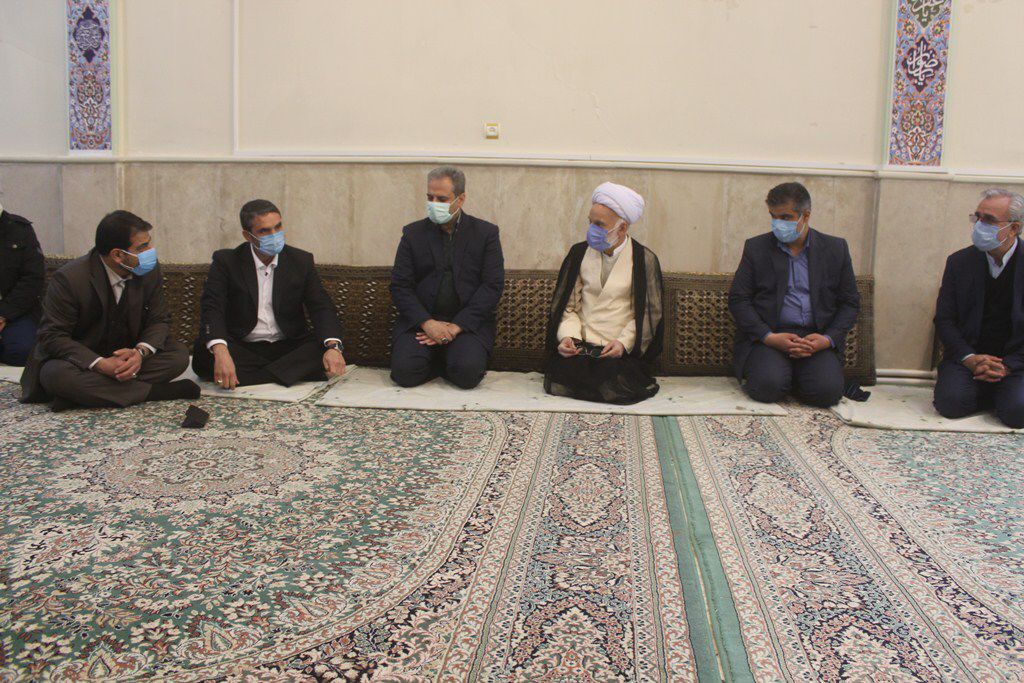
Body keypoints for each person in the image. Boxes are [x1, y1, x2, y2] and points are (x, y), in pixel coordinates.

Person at [20, 210, 196, 411]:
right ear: (118, 255)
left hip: (126, 354)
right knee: (55, 375)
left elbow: (159, 319)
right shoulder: (70, 279)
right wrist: (100, 364)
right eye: (142, 247)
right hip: (83, 360)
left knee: (178, 355)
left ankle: (84, 396)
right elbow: (52, 336)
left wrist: (139, 353)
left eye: (149, 243)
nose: (151, 251)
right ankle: (154, 392)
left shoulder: (148, 270)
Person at [728, 181, 859, 407]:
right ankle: (785, 374)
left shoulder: (835, 249)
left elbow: (850, 303)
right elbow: (739, 300)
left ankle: (799, 376)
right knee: (766, 387)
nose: (778, 224)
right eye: (773, 216)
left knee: (827, 393)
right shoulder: (756, 248)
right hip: (771, 337)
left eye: (786, 217)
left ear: (805, 216)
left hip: (815, 339)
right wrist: (768, 336)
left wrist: (827, 339)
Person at [192, 199, 346, 388]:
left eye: (278, 227)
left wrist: (333, 347)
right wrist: (221, 352)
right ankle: (289, 373)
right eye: (264, 231)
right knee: (205, 354)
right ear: (248, 236)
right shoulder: (227, 261)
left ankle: (250, 376)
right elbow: (212, 307)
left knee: (325, 348)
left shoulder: (300, 260)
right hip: (243, 345)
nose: (274, 235)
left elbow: (321, 306)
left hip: (288, 345)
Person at [544, 182, 664, 404]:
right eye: (590, 222)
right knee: (565, 371)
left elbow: (649, 315)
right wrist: (569, 337)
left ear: (622, 228)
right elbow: (568, 306)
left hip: (616, 350)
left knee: (614, 376)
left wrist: (623, 343)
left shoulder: (644, 260)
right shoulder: (578, 253)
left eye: (599, 224)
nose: (592, 229)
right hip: (582, 348)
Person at [389, 166, 504, 389]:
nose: (434, 203)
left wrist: (455, 327)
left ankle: (447, 357)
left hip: (466, 325)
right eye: (430, 197)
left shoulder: (486, 233)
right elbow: (400, 286)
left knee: (467, 375)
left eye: (441, 199)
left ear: (460, 199)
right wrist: (428, 323)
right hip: (421, 323)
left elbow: (492, 286)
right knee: (404, 374)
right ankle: (438, 357)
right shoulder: (412, 233)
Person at [933, 188, 1024, 428]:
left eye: (989, 220)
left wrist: (1007, 366)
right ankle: (992, 389)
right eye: (977, 217)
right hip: (967, 357)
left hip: (1017, 362)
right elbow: (944, 319)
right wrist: (970, 358)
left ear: (1013, 228)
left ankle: (1000, 390)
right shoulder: (959, 262)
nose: (980, 225)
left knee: (1018, 414)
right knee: (950, 404)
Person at [0, 201, 45, 366]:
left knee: (23, 351)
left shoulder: (20, 230)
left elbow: (33, 279)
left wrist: (3, 314)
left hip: (15, 311)